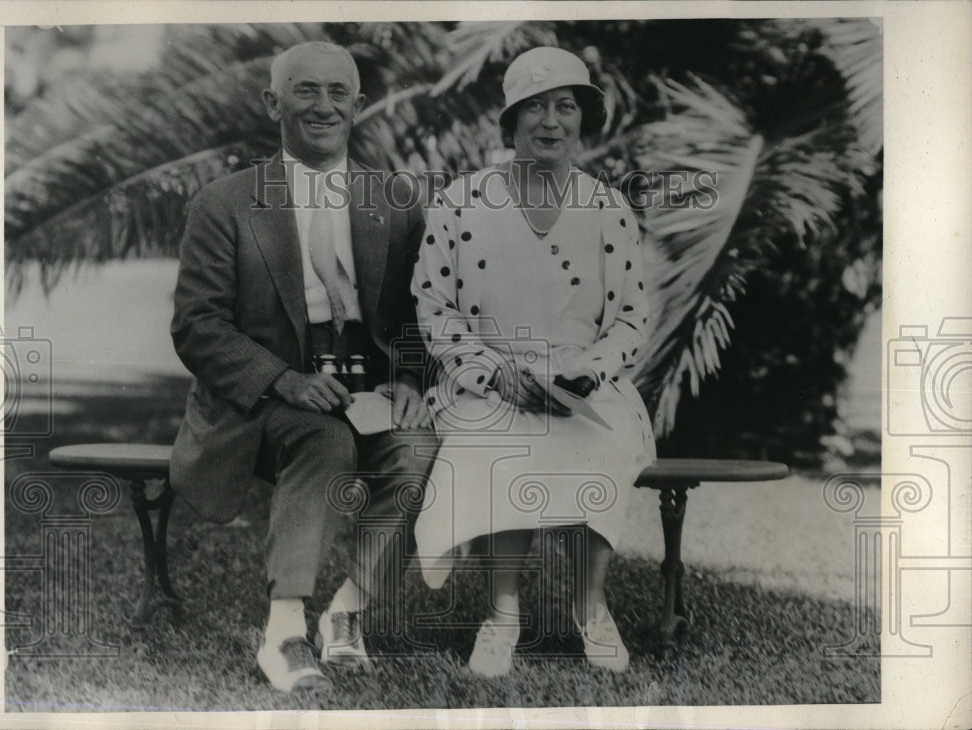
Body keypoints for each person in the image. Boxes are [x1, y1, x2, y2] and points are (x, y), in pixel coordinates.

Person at [169, 41, 438, 693]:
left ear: (360, 106)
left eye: (337, 93)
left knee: (419, 444)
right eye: (305, 91)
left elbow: (414, 312)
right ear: (273, 103)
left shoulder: (393, 201)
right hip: (256, 405)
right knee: (325, 436)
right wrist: (284, 381)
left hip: (361, 392)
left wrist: (406, 377)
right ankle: (285, 631)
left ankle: (347, 615)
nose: (323, 107)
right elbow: (197, 325)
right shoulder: (226, 202)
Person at [411, 46, 656, 677]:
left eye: (566, 106)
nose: (551, 121)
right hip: (488, 380)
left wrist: (589, 372)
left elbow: (632, 315)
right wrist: (492, 372)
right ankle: (502, 615)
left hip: (584, 380)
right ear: (510, 120)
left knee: (601, 440)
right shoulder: (461, 202)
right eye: (535, 107)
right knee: (499, 442)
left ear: (584, 119)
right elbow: (435, 308)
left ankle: (591, 609)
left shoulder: (608, 208)